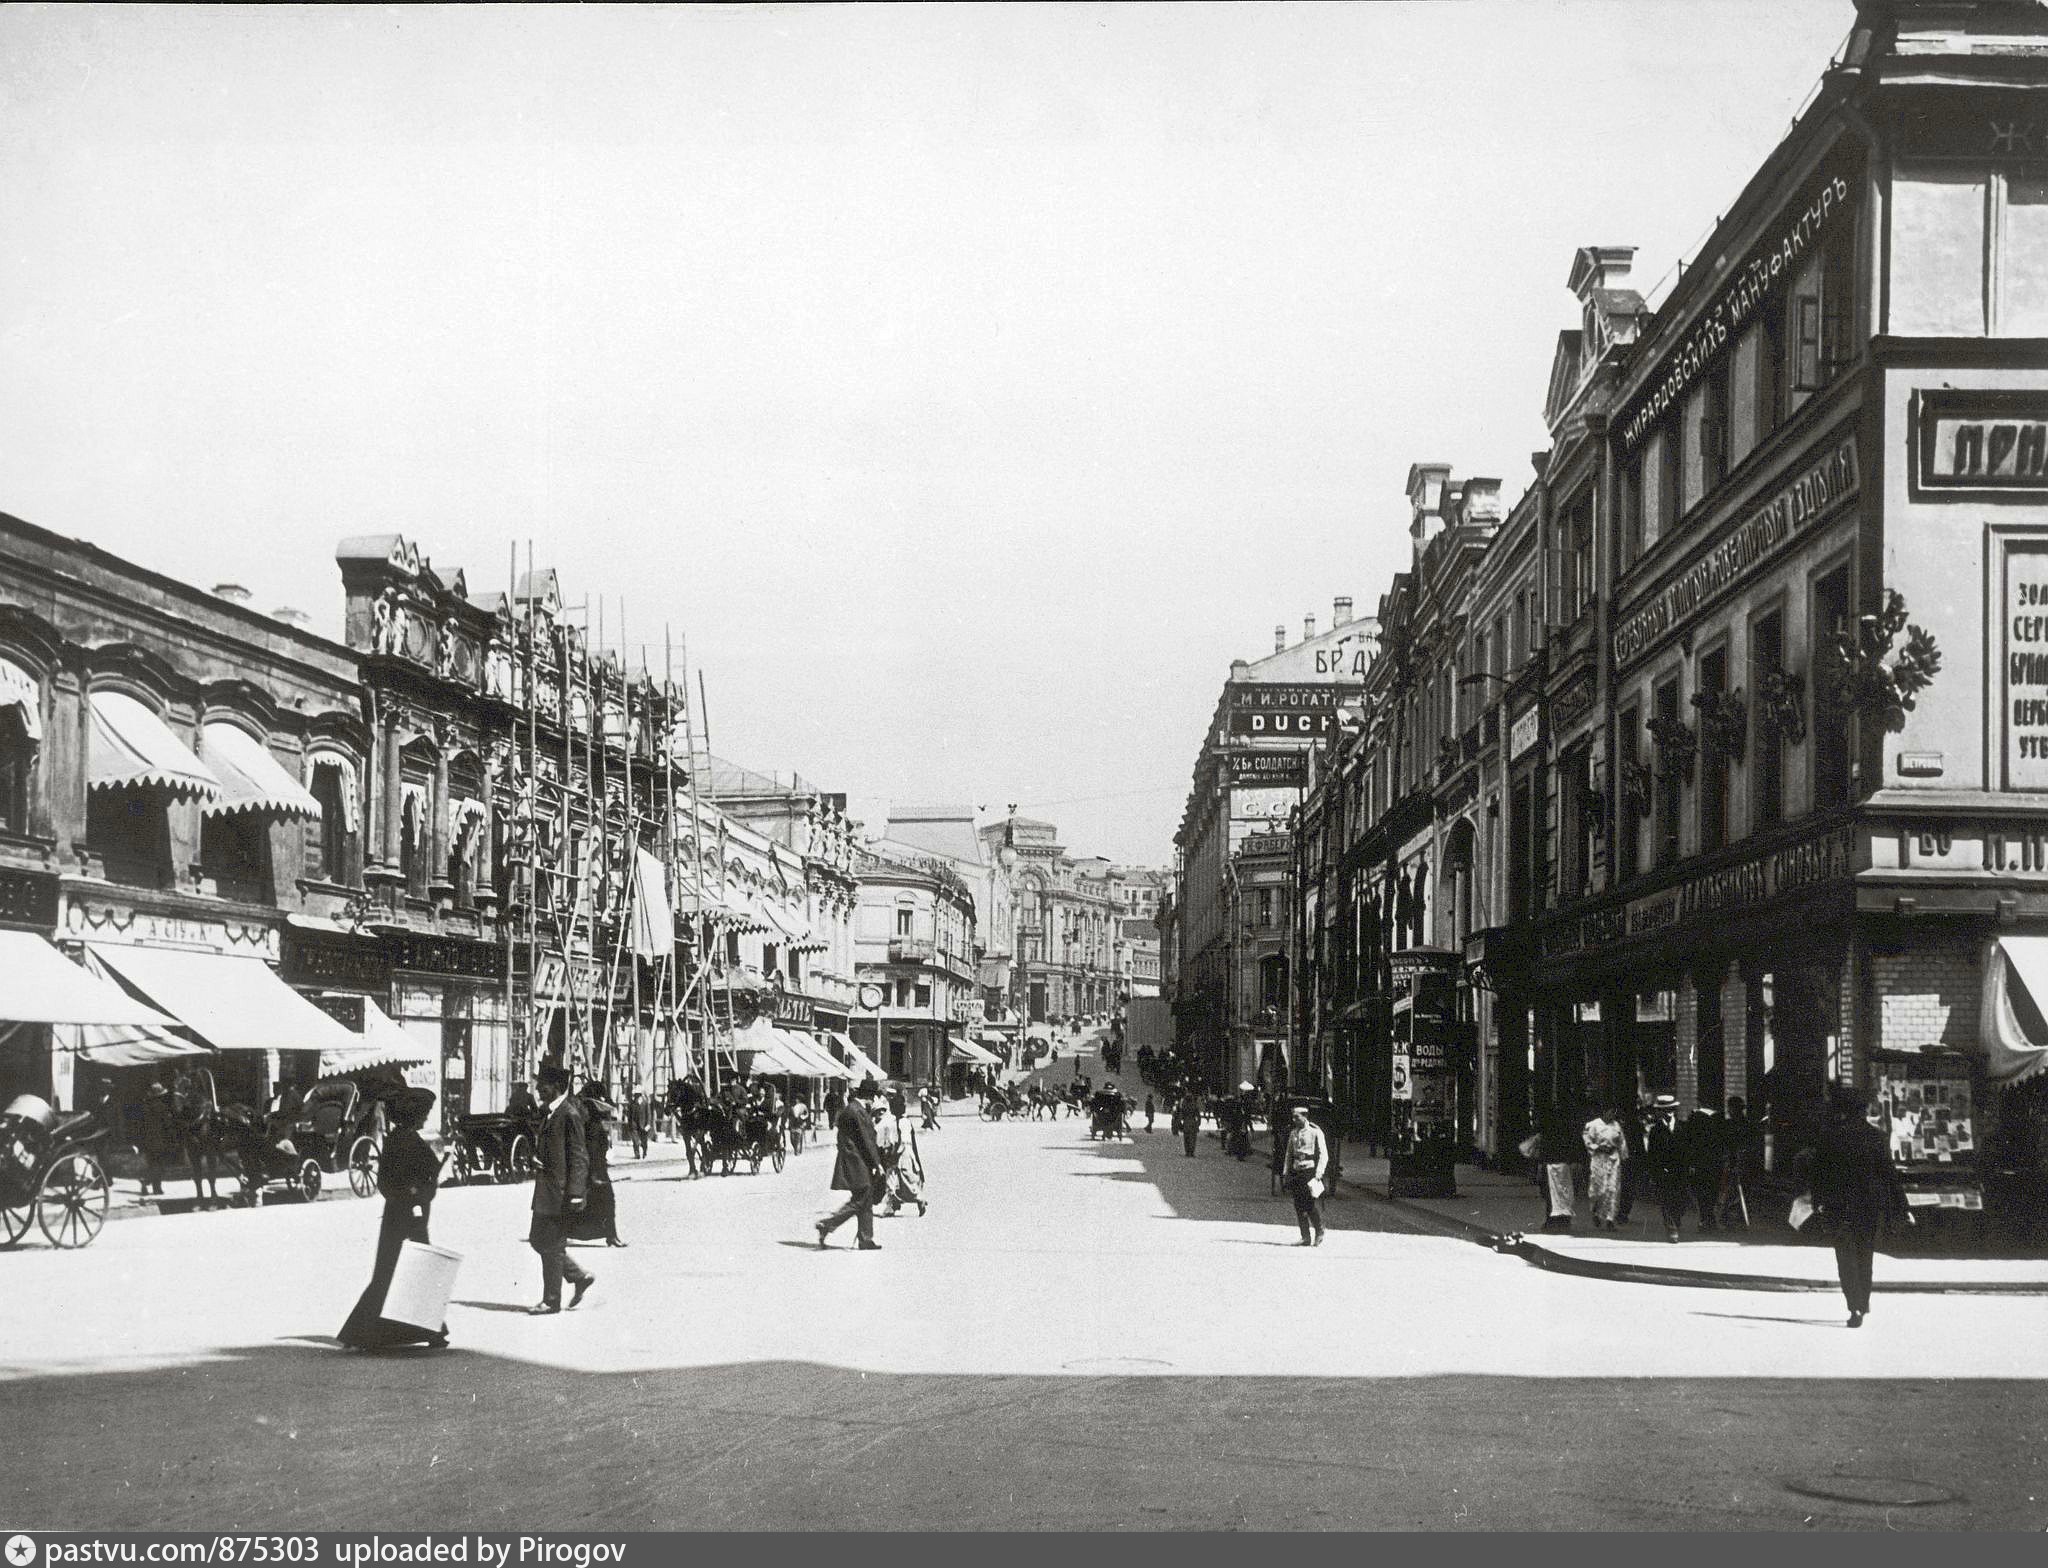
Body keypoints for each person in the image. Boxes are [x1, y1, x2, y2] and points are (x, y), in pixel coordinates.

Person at [337, 1088, 448, 1351]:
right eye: (424, 1113)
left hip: (401, 1216)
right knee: (411, 1272)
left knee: (395, 1272)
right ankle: (426, 1330)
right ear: (414, 1115)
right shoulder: (406, 1140)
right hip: (408, 1216)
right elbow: (401, 1179)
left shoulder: (399, 1138)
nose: (425, 1117)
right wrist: (417, 1191)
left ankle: (365, 1332)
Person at [1806, 1086, 1912, 1327]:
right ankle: (1863, 1302)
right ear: (1863, 1110)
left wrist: (1818, 1201)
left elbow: (1818, 1173)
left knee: (1845, 1257)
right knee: (1865, 1254)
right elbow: (1888, 1174)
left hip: (1838, 1206)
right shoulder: (1876, 1136)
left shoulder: (1830, 1136)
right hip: (1868, 1205)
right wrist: (1902, 1206)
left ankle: (1854, 1306)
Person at [528, 1064, 596, 1315]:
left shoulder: (569, 1113)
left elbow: (579, 1156)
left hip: (560, 1192)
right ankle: (578, 1276)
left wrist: (577, 1192)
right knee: (539, 1239)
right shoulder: (551, 1113)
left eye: (542, 1085)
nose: (537, 1089)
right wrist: (537, 1158)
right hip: (548, 1191)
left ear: (556, 1087)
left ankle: (551, 1300)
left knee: (551, 1243)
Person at [816, 1079, 884, 1250]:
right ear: (868, 1096)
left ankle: (865, 1239)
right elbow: (865, 1140)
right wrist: (877, 1163)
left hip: (856, 1161)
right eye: (873, 1097)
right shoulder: (856, 1111)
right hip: (856, 1162)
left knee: (865, 1199)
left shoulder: (854, 1109)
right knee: (861, 1199)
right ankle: (828, 1224)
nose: (874, 1101)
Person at [570, 1082, 627, 1248]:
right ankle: (611, 1235)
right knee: (608, 1201)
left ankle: (608, 1234)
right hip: (596, 1171)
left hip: (593, 1169)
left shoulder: (590, 1125)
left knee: (587, 1204)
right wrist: (595, 1174)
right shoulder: (593, 1127)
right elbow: (593, 1152)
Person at [1644, 1093, 1691, 1242]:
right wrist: (1654, 1171)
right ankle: (1672, 1227)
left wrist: (1690, 1166)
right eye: (1665, 1110)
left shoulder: (1682, 1127)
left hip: (1680, 1170)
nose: (1669, 1113)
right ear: (1660, 1112)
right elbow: (1652, 1153)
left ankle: (1675, 1220)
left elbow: (1688, 1149)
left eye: (1671, 1109)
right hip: (1663, 1170)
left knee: (1681, 1200)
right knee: (1667, 1200)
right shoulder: (1655, 1130)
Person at [1282, 1105, 1330, 1246]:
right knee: (1298, 1204)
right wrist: (1286, 1172)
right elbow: (1289, 1154)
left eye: (1297, 1117)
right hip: (1297, 1170)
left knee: (1309, 1204)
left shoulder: (1315, 1132)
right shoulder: (1293, 1133)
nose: (1294, 1119)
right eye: (1293, 1117)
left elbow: (1323, 1154)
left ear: (1305, 1116)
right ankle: (1305, 1237)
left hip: (1310, 1171)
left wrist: (1319, 1173)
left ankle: (1320, 1230)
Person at [1683, 1102, 1728, 1232]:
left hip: (1700, 1160)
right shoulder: (1719, 1117)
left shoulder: (1695, 1117)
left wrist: (1690, 1161)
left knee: (1701, 1191)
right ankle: (1709, 1218)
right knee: (1713, 1189)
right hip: (1715, 1160)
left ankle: (1705, 1218)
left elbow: (1689, 1141)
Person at [1582, 1106, 1626, 1231]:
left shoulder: (1616, 1125)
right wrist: (1598, 1147)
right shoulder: (1593, 1125)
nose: (1612, 1115)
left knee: (1612, 1189)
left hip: (1613, 1159)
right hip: (1599, 1159)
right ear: (1604, 1112)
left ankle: (1610, 1219)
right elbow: (1587, 1140)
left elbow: (1621, 1142)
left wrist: (1623, 1155)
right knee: (1599, 1189)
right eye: (1610, 1112)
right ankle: (1596, 1212)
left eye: (1614, 1113)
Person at [138, 1079, 174, 1197]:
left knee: (152, 1163)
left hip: (148, 1141)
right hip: (160, 1140)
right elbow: (167, 1125)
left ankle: (150, 1183)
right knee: (160, 1164)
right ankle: (155, 1186)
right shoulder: (162, 1108)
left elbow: (140, 1125)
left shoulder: (144, 1107)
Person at [1176, 1088, 1202, 1157]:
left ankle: (1187, 1152)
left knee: (1186, 1138)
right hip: (1193, 1123)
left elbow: (1180, 1116)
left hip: (1186, 1123)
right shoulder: (1194, 1106)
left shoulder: (1184, 1106)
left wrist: (1180, 1124)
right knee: (1193, 1138)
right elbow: (1198, 1116)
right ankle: (1192, 1152)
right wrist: (1198, 1124)